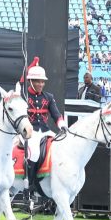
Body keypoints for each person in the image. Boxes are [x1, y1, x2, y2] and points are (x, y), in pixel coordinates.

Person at [21, 57, 66, 193]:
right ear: (31, 81)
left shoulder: (49, 97)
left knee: (62, 145)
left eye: (42, 81)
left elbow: (56, 115)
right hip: (29, 131)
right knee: (34, 152)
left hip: (45, 131)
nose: (41, 84)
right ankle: (31, 184)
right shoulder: (23, 96)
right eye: (38, 81)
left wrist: (62, 126)